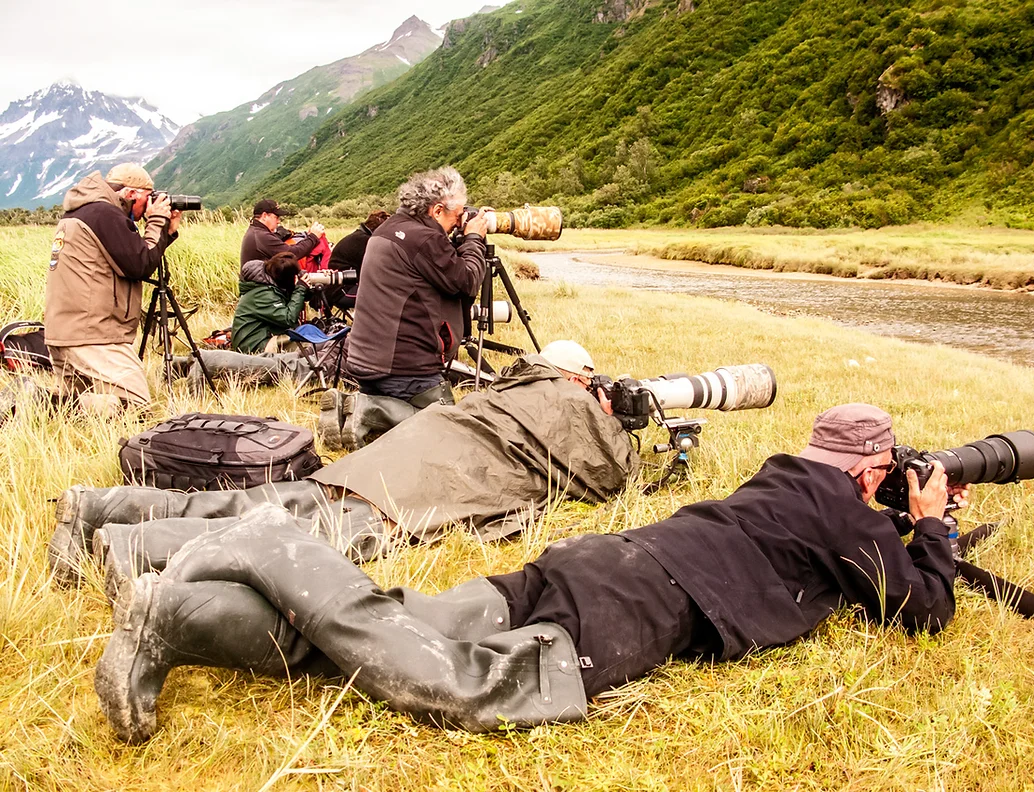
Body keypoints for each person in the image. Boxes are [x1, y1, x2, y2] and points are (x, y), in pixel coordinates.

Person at [92, 402, 969, 743]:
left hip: (592, 567)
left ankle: (170, 613)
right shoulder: (845, 512)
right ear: (872, 469)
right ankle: (271, 540)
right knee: (459, 689)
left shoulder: (781, 478)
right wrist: (930, 528)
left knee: (367, 636)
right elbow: (923, 609)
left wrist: (894, 516)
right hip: (635, 608)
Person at [49, 342, 631, 590]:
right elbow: (607, 479)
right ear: (577, 378)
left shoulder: (509, 385)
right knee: (292, 530)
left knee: (266, 503)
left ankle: (104, 506)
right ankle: (130, 549)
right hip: (421, 489)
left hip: (392, 458)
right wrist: (607, 418)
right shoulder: (568, 399)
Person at [344, 167, 489, 409]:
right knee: (448, 431)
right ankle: (371, 416)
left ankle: (370, 410)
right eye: (457, 216)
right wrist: (474, 239)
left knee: (403, 430)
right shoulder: (425, 239)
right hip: (405, 369)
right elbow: (467, 282)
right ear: (437, 210)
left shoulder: (389, 227)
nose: (458, 223)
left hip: (368, 361)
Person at [44, 163, 181, 413]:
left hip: (70, 330)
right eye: (146, 199)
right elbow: (139, 264)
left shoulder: (86, 211)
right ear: (131, 194)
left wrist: (165, 234)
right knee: (136, 408)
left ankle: (49, 404)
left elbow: (135, 256)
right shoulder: (103, 214)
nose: (145, 209)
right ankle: (38, 402)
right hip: (91, 336)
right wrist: (157, 221)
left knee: (80, 405)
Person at [231, 252, 309, 353]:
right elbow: (288, 318)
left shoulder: (269, 284)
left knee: (312, 336)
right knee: (309, 346)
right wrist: (300, 289)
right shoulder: (262, 295)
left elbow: (291, 302)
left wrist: (310, 288)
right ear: (287, 279)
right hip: (254, 344)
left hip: (264, 336)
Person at [324, 209, 390, 310]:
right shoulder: (365, 242)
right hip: (343, 290)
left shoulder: (358, 237)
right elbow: (379, 270)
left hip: (336, 289)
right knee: (386, 297)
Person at [240, 199, 324, 265]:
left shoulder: (255, 231)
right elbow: (292, 254)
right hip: (261, 286)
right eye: (276, 217)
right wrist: (313, 237)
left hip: (257, 284)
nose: (278, 221)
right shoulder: (261, 236)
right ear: (265, 216)